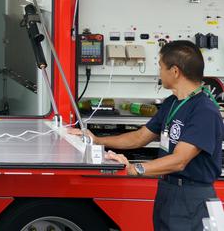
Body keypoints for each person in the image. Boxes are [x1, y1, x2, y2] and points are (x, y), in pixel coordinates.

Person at [68, 40, 224, 230]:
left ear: (175, 71)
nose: (159, 72)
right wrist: (97, 140)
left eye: (160, 67)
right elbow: (141, 136)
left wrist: (135, 169)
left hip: (191, 197)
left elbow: (179, 160)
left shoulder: (204, 110)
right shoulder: (172, 103)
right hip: (167, 189)